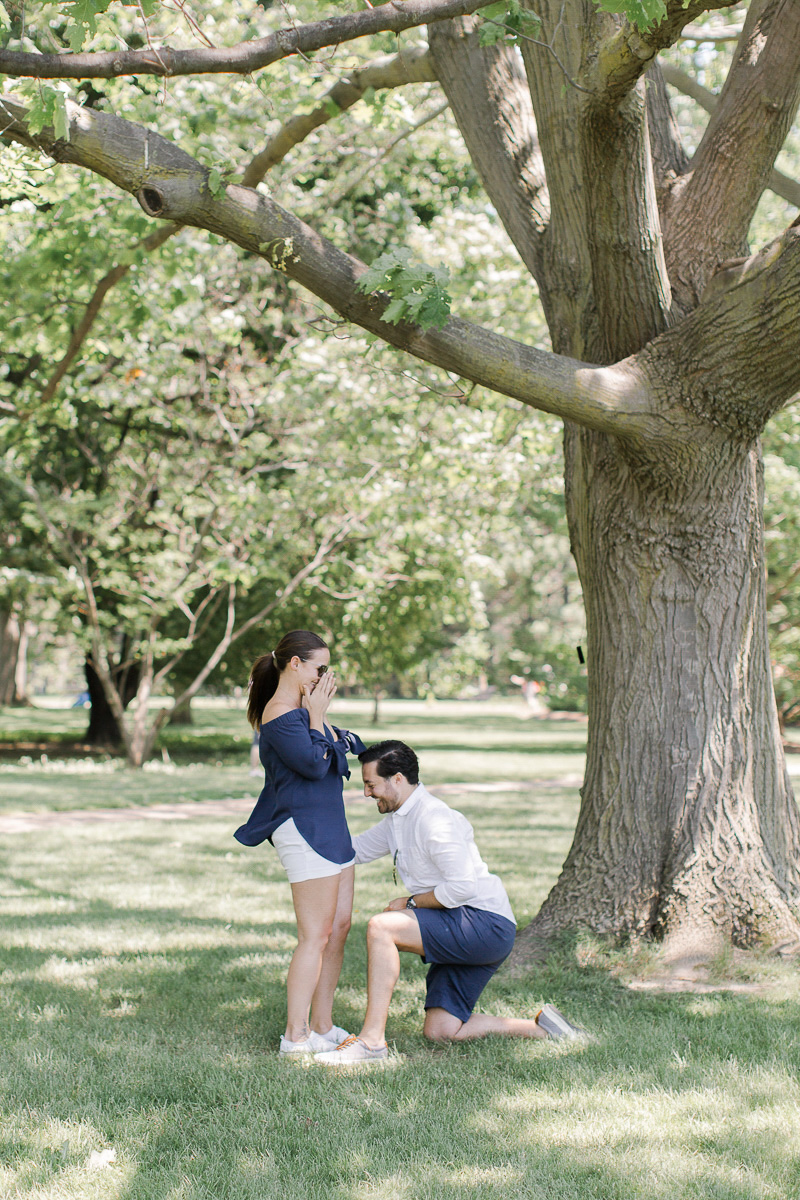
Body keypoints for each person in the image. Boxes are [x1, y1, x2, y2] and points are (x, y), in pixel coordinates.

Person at [315, 740, 583, 1065]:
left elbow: (462, 887)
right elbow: (352, 851)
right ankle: (543, 1028)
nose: (368, 793)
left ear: (397, 779)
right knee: (442, 1030)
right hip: (462, 923)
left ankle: (372, 1042)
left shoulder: (434, 819)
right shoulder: (397, 822)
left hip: (484, 924)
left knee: (382, 928)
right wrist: (302, 831)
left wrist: (410, 903)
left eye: (371, 784)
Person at [234, 630, 365, 1056]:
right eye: (319, 667)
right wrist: (319, 724)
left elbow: (350, 747)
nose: (325, 676)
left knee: (339, 927)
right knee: (316, 934)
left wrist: (325, 730)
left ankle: (323, 1025)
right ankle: (295, 1036)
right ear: (295, 664)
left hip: (332, 827)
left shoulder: (308, 711)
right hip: (303, 828)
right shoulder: (280, 714)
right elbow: (314, 764)